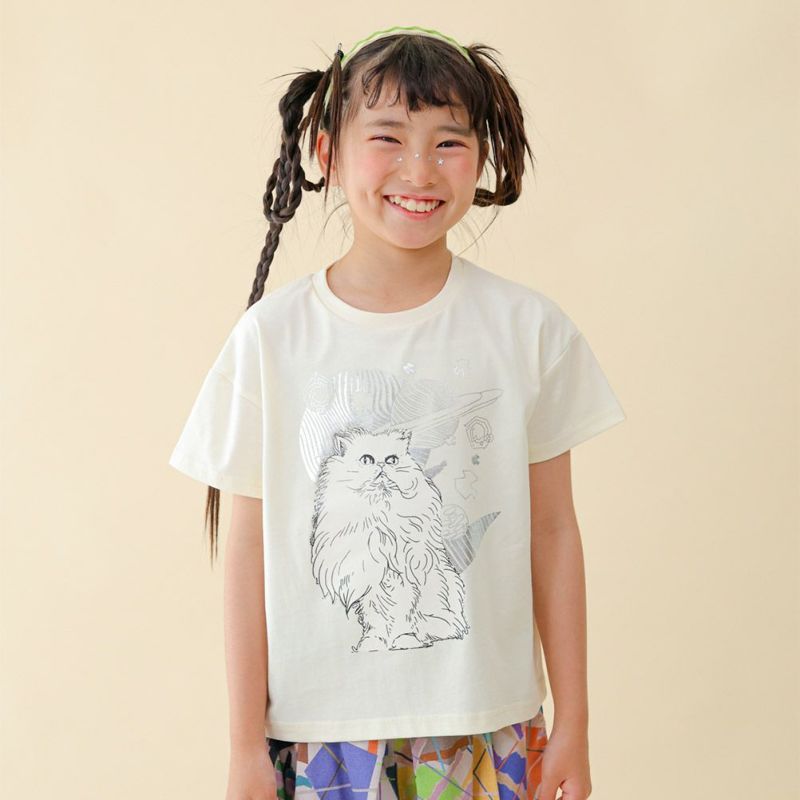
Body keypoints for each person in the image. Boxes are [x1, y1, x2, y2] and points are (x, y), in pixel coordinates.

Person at [168, 24, 626, 800]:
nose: (419, 169)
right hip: (318, 738)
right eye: (387, 137)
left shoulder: (527, 329)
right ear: (328, 153)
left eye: (449, 142)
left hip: (488, 725)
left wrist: (573, 724)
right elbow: (247, 553)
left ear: (483, 155)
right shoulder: (272, 339)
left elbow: (553, 531)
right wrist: (244, 746)